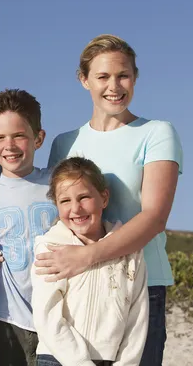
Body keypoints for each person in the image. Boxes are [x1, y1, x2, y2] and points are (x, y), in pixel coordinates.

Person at [36, 34, 183, 366]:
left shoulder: (157, 133)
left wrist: (89, 255)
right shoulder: (64, 143)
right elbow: (58, 212)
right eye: (102, 76)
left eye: (123, 75)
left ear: (135, 77)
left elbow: (155, 217)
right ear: (84, 80)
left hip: (139, 286)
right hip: (77, 286)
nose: (114, 86)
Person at [31, 157, 148, 366]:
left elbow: (138, 316)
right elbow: (46, 314)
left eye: (84, 197)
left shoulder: (130, 252)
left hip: (110, 360)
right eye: (65, 201)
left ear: (104, 198)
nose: (75, 209)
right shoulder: (50, 247)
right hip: (58, 358)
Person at [0, 89, 58, 366]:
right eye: (0, 138)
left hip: (58, 316)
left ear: (38, 138)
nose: (9, 145)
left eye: (19, 136)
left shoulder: (59, 184)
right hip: (5, 318)